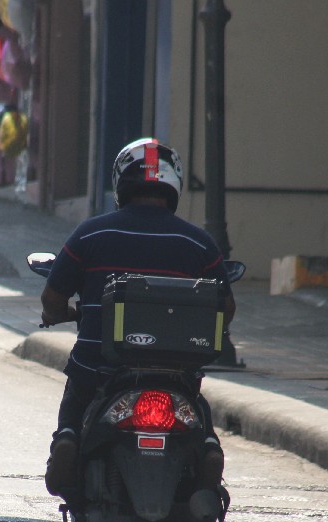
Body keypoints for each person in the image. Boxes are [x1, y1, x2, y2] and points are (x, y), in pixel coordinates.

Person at [38, 138, 236, 500]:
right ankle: (208, 446)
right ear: (172, 184)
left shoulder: (90, 233)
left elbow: (52, 298)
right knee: (198, 403)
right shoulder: (199, 243)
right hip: (177, 372)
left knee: (76, 396)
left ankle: (67, 438)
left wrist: (59, 314)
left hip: (100, 368)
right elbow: (226, 307)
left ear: (121, 183)